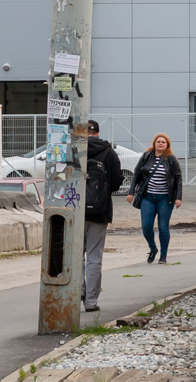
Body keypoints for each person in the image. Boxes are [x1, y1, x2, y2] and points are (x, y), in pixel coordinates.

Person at [82, 120, 123, 313]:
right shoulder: (109, 152)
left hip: (76, 211)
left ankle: (77, 291)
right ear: (97, 133)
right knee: (94, 257)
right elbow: (115, 183)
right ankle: (90, 301)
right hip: (100, 211)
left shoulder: (74, 151)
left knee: (76, 257)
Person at [127, 133, 183, 265]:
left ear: (167, 145)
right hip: (148, 197)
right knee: (146, 226)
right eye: (158, 141)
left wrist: (178, 197)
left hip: (165, 198)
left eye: (163, 142)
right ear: (154, 143)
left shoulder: (171, 159)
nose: (161, 143)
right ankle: (153, 248)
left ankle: (163, 255)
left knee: (163, 227)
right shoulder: (146, 156)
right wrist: (131, 192)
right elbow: (136, 174)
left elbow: (178, 178)